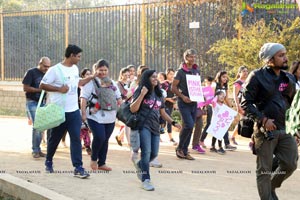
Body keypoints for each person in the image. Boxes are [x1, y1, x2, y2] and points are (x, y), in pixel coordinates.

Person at [241, 42, 298, 200]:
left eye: (285, 54)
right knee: (264, 170)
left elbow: (292, 104)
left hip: (284, 128)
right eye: (281, 56)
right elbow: (245, 102)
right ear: (269, 59)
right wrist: (263, 119)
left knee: (290, 163)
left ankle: (271, 186)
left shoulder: (289, 77)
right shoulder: (257, 76)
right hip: (265, 131)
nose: (285, 58)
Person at [40, 44, 93, 178]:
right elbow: (42, 85)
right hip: (58, 111)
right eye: (78, 56)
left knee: (75, 138)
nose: (80, 59)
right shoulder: (54, 70)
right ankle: (49, 161)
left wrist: (91, 78)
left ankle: (78, 167)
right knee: (54, 139)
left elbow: (78, 83)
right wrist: (59, 89)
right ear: (71, 55)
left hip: (73, 111)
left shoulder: (75, 68)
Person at [130, 69, 181, 191]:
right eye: (152, 77)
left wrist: (173, 122)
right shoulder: (140, 90)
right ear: (146, 78)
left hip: (155, 127)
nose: (155, 79)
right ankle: (145, 179)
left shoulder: (159, 94)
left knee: (154, 154)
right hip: (143, 126)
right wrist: (142, 94)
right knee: (146, 152)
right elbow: (133, 109)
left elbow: (162, 112)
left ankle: (140, 165)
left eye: (155, 77)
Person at [80, 59, 122, 171]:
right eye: (100, 70)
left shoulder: (112, 83)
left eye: (105, 70)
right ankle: (94, 159)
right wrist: (83, 113)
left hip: (111, 116)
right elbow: (83, 98)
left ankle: (102, 163)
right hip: (94, 116)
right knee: (100, 137)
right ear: (96, 70)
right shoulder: (90, 82)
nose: (103, 72)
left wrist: (122, 111)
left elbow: (119, 98)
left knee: (105, 139)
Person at [172, 49, 200, 160]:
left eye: (194, 57)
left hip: (194, 102)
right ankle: (179, 148)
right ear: (186, 58)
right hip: (183, 102)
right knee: (188, 124)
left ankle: (184, 150)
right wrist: (183, 96)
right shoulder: (180, 72)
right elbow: (173, 87)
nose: (192, 59)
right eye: (190, 57)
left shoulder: (196, 70)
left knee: (190, 126)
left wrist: (201, 95)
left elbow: (197, 85)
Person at [22, 57, 51, 158]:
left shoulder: (48, 74)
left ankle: (38, 149)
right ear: (40, 64)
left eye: (48, 67)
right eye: (45, 66)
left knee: (42, 126)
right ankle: (35, 150)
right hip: (32, 102)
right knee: (38, 125)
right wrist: (40, 90)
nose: (46, 69)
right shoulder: (31, 72)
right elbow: (25, 88)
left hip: (43, 103)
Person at [213, 70, 237, 151]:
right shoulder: (214, 85)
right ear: (219, 77)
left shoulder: (225, 86)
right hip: (215, 108)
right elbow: (211, 97)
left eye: (226, 77)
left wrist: (231, 107)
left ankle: (225, 144)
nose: (225, 79)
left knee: (223, 126)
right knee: (218, 126)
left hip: (222, 108)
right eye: (223, 77)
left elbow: (226, 98)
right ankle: (215, 145)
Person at [231, 66, 249, 145]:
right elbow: (235, 95)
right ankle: (233, 136)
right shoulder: (238, 83)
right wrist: (238, 106)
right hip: (241, 104)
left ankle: (232, 136)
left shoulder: (248, 81)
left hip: (248, 103)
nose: (245, 73)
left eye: (246, 71)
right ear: (239, 73)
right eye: (243, 71)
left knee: (247, 120)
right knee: (243, 120)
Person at [209, 90, 229, 155]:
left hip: (221, 121)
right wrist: (216, 96)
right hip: (215, 120)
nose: (222, 96)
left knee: (218, 134)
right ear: (217, 96)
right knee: (218, 135)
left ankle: (212, 146)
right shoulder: (215, 103)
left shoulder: (223, 105)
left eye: (223, 95)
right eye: (220, 95)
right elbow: (212, 101)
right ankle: (220, 147)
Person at [115, 67, 131, 147]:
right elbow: (120, 95)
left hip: (130, 105)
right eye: (125, 75)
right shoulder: (118, 84)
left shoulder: (130, 83)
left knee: (128, 123)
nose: (127, 77)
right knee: (128, 123)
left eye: (128, 75)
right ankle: (129, 142)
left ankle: (119, 137)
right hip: (121, 106)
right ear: (121, 75)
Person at [161, 68, 178, 145]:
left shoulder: (174, 84)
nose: (172, 76)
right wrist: (168, 99)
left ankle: (170, 137)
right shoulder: (164, 84)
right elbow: (161, 95)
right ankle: (164, 136)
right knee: (165, 120)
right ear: (167, 74)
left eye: (173, 74)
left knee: (169, 121)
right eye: (170, 74)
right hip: (164, 104)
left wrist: (174, 101)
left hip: (171, 104)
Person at [199, 76, 215, 148]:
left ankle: (202, 140)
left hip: (213, 107)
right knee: (204, 124)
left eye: (210, 82)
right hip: (205, 106)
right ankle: (200, 140)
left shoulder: (214, 88)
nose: (209, 83)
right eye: (207, 82)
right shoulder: (202, 89)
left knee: (210, 124)